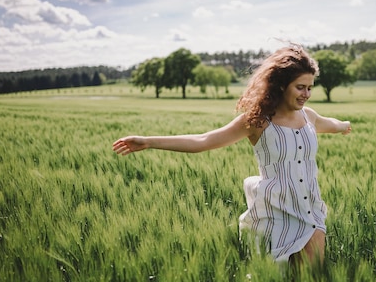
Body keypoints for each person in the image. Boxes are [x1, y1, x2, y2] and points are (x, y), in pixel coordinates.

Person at [113, 44, 351, 267]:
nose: (306, 94)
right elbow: (205, 140)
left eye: (310, 87)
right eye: (300, 87)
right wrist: (148, 141)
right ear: (281, 85)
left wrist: (344, 124)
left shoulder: (309, 116)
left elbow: (330, 124)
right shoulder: (257, 121)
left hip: (310, 211)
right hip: (276, 214)